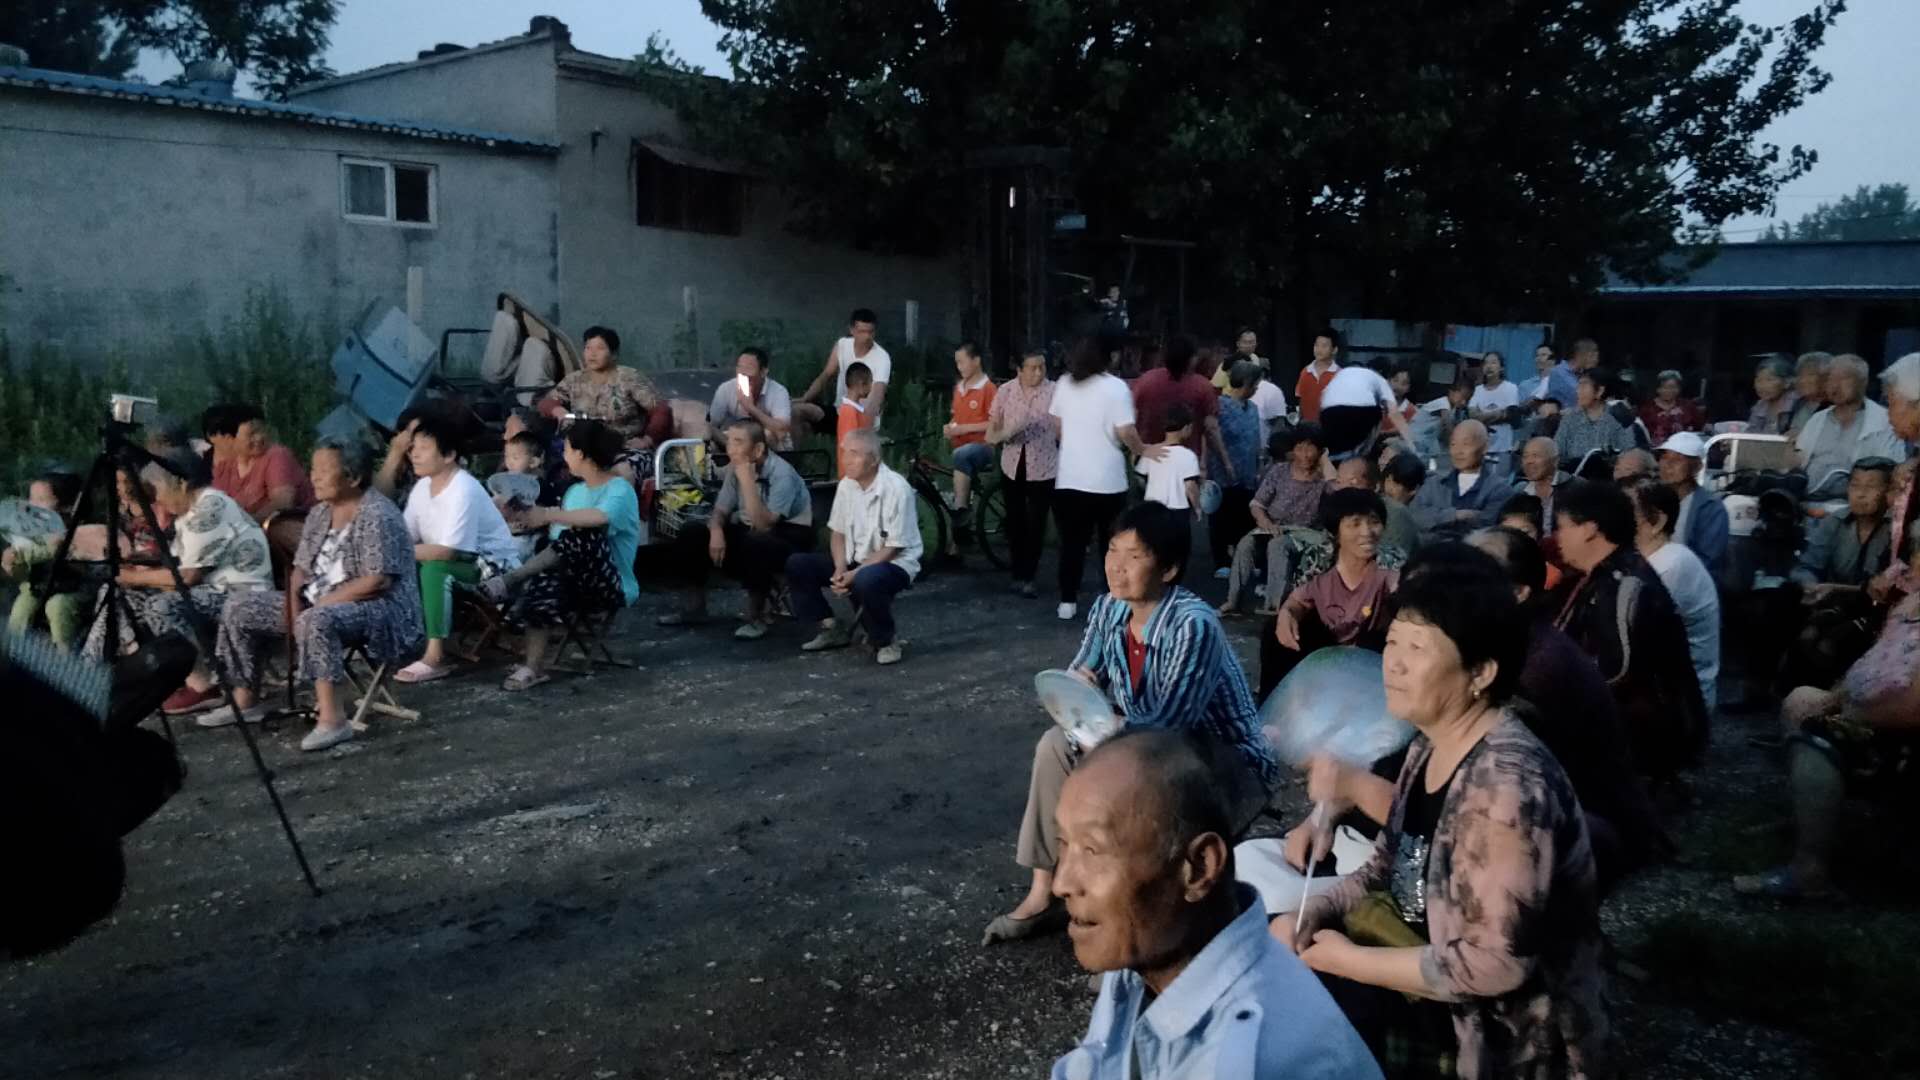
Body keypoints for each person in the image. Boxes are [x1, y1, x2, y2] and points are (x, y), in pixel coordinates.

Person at [1283, 554, 1612, 1079]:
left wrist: (1349, 961)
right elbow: (1387, 866)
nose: (1393, 663)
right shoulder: (1429, 746)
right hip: (1429, 974)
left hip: (1503, 1039)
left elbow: (1495, 965)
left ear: (1481, 672)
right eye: (1393, 642)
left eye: (1418, 648)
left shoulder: (1506, 789)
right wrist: (1316, 912)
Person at [985, 504, 1280, 944]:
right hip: (1142, 742)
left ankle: (1130, 918)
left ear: (1169, 568)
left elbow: (1168, 729)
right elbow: (1079, 679)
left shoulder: (1193, 625)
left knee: (1129, 782)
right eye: (1112, 550)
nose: (1116, 565)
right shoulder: (1110, 608)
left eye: (1135, 555)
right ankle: (1044, 891)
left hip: (1220, 762)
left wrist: (1104, 735)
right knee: (1055, 745)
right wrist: (1079, 690)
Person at [1048, 729, 1382, 1080]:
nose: (1061, 883)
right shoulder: (1140, 957)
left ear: (1199, 867)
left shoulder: (1249, 1062)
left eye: (1093, 850)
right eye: (1063, 843)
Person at [1463, 530, 1666, 892]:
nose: (1461, 576)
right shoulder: (1519, 641)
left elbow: (1496, 768)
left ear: (1519, 592)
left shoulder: (1537, 665)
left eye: (1480, 567)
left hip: (1594, 826)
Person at [211, 438, 424, 751]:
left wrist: (315, 609)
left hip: (381, 609)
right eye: (313, 469)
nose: (315, 477)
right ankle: (245, 699)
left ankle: (333, 720)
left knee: (318, 620)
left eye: (325, 470)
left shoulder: (378, 514)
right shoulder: (320, 513)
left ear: (353, 477)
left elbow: (376, 581)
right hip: (319, 602)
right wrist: (294, 608)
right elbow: (300, 571)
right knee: (239, 606)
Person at [82, 447, 274, 715]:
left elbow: (187, 577)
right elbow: (178, 561)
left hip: (237, 591)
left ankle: (204, 683)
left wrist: (133, 577)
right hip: (210, 588)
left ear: (182, 483)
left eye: (158, 490)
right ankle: (93, 674)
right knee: (117, 594)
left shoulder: (210, 507)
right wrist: (138, 564)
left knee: (160, 606)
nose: (157, 499)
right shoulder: (189, 513)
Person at [1551, 479, 1709, 780]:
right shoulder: (1608, 574)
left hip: (1646, 729)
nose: (1557, 537)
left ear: (1589, 529)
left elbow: (1615, 672)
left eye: (1563, 527)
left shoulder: (1623, 584)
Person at [482, 420, 641, 692]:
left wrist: (548, 514)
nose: (564, 456)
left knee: (582, 535)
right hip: (570, 579)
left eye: (566, 450)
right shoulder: (575, 492)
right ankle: (533, 667)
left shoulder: (620, 490)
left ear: (581, 453)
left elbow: (600, 518)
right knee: (549, 570)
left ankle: (511, 580)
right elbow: (557, 545)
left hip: (610, 583)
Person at [395, 417, 522, 684]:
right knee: (400, 567)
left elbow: (448, 552)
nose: (414, 454)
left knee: (434, 570)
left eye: (424, 448)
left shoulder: (463, 488)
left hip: (494, 568)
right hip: (460, 562)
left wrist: (398, 553)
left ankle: (435, 657)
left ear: (449, 455)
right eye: (413, 447)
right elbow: (403, 538)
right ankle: (401, 639)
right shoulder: (422, 487)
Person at [661, 419, 814, 639]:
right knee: (692, 533)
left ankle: (756, 616)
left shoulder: (782, 474)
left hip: (788, 535)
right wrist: (716, 531)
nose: (730, 449)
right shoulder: (736, 469)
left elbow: (764, 525)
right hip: (749, 529)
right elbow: (720, 510)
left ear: (758, 449)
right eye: (729, 441)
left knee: (756, 543)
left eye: (738, 442)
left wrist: (747, 481)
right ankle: (695, 608)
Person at [784, 427, 921, 665]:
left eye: (854, 453)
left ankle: (886, 640)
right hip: (855, 558)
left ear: (874, 460)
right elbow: (837, 532)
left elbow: (894, 547)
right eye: (844, 452)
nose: (846, 459)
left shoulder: (897, 489)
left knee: (867, 579)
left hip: (894, 562)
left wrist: (854, 574)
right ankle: (830, 626)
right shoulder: (847, 485)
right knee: (798, 564)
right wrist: (839, 568)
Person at [1050, 338, 1164, 621]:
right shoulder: (1116, 388)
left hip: (1070, 476)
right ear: (1110, 357)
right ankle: (1112, 599)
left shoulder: (1065, 383)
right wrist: (1142, 449)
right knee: (1111, 545)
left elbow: (1057, 426)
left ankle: (1067, 601)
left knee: (1072, 543)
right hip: (1107, 479)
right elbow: (1126, 431)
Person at [1262, 488, 1399, 697]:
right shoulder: (1319, 559)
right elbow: (1298, 600)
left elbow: (1404, 596)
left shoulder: (1390, 562)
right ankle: (1273, 706)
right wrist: (1287, 613)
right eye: (1355, 524)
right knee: (1275, 629)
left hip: (1371, 651)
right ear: (1336, 532)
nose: (1367, 532)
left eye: (1374, 522)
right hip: (1326, 643)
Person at [1627, 479, 1722, 715]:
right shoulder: (1659, 558)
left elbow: (1627, 640)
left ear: (1657, 521)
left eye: (1626, 511)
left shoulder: (1669, 565)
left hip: (1679, 704)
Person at [1221, 425, 1329, 614]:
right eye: (1300, 448)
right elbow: (1257, 504)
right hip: (1273, 527)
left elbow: (1341, 493)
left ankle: (1273, 605)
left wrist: (1326, 464)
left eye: (1311, 448)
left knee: (1278, 545)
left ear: (1320, 451)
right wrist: (1265, 523)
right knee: (1246, 544)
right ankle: (1233, 601)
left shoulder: (1324, 479)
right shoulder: (1280, 471)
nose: (1305, 454)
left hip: (1306, 533)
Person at [538, 326, 668, 480]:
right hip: (584, 449)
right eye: (588, 348)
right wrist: (557, 411)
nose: (592, 354)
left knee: (622, 473)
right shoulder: (575, 379)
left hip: (624, 447)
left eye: (600, 348)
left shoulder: (629, 378)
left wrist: (647, 440)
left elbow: (660, 410)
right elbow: (546, 403)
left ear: (613, 354)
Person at [986, 347, 1058, 598]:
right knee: (1015, 520)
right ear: (1019, 370)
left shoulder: (1054, 391)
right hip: (1013, 463)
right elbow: (992, 431)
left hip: (1043, 464)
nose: (1038, 372)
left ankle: (1029, 576)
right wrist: (1006, 433)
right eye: (1032, 368)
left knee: (1036, 522)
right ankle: (1017, 572)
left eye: (1042, 367)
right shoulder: (1006, 391)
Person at [204, 403, 314, 555]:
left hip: (296, 533)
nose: (259, 437)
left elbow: (283, 502)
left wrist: (243, 525)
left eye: (261, 430)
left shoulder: (277, 455)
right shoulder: (225, 468)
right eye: (251, 434)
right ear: (231, 438)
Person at [1794, 353, 1908, 499]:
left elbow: (1888, 469)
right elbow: (1797, 460)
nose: (1835, 386)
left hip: (1855, 502)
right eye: (1830, 379)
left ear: (1863, 382)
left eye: (1844, 378)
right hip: (1807, 497)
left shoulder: (1884, 420)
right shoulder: (1817, 419)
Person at [5, 470, 84, 649]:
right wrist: (12, 564)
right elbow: (20, 569)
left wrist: (21, 554)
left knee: (58, 607)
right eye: (31, 499)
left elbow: (51, 549)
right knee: (21, 609)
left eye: (41, 500)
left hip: (71, 590)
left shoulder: (70, 531)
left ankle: (65, 654)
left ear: (63, 506)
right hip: (35, 590)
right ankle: (13, 652)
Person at [1132, 336, 1230, 470]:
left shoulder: (1146, 381)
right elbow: (1211, 429)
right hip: (1186, 461)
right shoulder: (1203, 386)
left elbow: (1132, 417)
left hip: (1148, 457)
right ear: (1191, 359)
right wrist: (1226, 462)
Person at [1210, 360, 1265, 573]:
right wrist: (1226, 463)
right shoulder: (1219, 406)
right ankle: (1222, 561)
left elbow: (1256, 439)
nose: (1256, 389)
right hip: (1223, 470)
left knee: (1245, 516)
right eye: (1254, 385)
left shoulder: (1253, 408)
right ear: (1245, 383)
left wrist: (1260, 464)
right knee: (1222, 516)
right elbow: (1213, 436)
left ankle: (1245, 559)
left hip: (1248, 470)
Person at [797, 308, 892, 432]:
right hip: (839, 412)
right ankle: (790, 445)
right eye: (862, 332)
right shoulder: (842, 345)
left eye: (871, 332)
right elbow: (826, 375)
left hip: (860, 419)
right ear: (852, 330)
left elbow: (877, 396)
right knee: (797, 411)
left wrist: (866, 427)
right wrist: (805, 398)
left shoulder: (882, 358)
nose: (867, 337)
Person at [1407, 420, 1505, 540]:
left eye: (1466, 444)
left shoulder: (1499, 489)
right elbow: (1414, 516)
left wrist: (1436, 518)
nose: (1458, 451)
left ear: (1485, 447)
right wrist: (1454, 515)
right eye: (1453, 444)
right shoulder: (1434, 483)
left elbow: (1488, 527)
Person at [1653, 432, 1730, 577]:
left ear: (1697, 467)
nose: (1668, 465)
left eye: (1678, 459)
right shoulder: (1651, 499)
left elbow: (1708, 561)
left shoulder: (1711, 508)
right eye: (1665, 457)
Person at [1317, 357, 1415, 462]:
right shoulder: (1371, 400)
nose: (1397, 386)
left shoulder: (1411, 410)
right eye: (1395, 380)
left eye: (1404, 383)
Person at [945, 342, 999, 530]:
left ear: (976, 361)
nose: (959, 367)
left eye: (962, 362)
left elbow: (994, 423)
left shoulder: (988, 388)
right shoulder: (959, 388)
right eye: (957, 363)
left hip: (983, 445)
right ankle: (961, 532)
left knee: (962, 455)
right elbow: (957, 417)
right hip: (961, 445)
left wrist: (964, 429)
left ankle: (961, 509)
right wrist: (951, 426)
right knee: (960, 456)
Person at [707, 346, 794, 451]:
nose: (743, 373)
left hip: (770, 447)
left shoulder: (778, 391)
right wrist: (730, 446)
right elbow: (711, 425)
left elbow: (781, 430)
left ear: (763, 372)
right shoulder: (726, 389)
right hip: (736, 442)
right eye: (740, 367)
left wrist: (750, 407)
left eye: (749, 368)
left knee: (768, 435)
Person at [1554, 367, 1635, 468]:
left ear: (1600, 391)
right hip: (1573, 474)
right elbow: (1557, 452)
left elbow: (1629, 452)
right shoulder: (1569, 419)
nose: (1578, 391)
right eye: (1578, 386)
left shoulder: (1619, 418)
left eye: (1583, 386)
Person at [498, 429, 559, 561]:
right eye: (507, 457)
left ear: (533, 462)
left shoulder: (540, 487)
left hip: (530, 539)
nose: (509, 462)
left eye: (515, 458)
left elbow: (543, 516)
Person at [1137, 403, 1202, 513]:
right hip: (1178, 510)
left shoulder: (1152, 452)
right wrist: (1198, 508)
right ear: (1186, 428)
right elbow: (1190, 487)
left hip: (1152, 508)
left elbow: (1140, 479)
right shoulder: (1188, 456)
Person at [1467, 352, 1520, 463]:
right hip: (1480, 447)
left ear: (1501, 368)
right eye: (1486, 363)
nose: (1489, 366)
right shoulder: (1478, 390)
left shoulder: (1510, 388)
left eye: (1493, 363)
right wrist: (1498, 413)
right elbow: (1472, 416)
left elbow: (1511, 414)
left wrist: (1483, 417)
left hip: (1503, 448)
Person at [1512, 436, 1566, 536]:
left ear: (1555, 460)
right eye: (1525, 456)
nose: (1529, 461)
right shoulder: (1520, 491)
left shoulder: (1576, 489)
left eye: (1535, 456)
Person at [1639, 370, 1705, 446]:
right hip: (1657, 449)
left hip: (1685, 448)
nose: (1669, 391)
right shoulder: (1647, 409)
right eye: (1664, 387)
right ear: (1658, 389)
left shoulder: (1687, 405)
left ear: (1679, 389)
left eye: (1673, 387)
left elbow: (1700, 426)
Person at [1531, 336, 1598, 411]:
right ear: (1582, 355)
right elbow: (1581, 395)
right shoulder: (1559, 372)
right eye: (1592, 355)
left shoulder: (1582, 373)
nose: (1595, 359)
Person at [835, 362, 876, 477]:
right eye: (870, 382)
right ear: (862, 384)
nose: (871, 387)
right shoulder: (849, 411)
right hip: (853, 475)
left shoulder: (857, 410)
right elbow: (850, 445)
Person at [1295, 328, 1344, 423]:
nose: (1319, 349)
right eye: (1316, 345)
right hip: (1306, 426)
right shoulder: (1305, 371)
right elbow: (1300, 399)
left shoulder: (1340, 375)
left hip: (1330, 425)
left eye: (1324, 346)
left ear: (1334, 350)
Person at [1379, 453, 1425, 554]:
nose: (1389, 488)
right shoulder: (1381, 505)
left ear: (1413, 489)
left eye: (1396, 484)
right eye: (1388, 480)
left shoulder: (1402, 513)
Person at [1745, 354, 1802, 436]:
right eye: (1758, 380)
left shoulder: (1798, 402)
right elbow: (1751, 434)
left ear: (1787, 382)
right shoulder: (1759, 406)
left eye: (1769, 380)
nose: (1762, 385)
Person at [1788, 350, 1833, 439]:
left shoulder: (1834, 407)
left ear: (1826, 378)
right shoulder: (1798, 403)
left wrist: (1802, 435)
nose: (1802, 380)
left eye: (1810, 375)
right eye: (1800, 375)